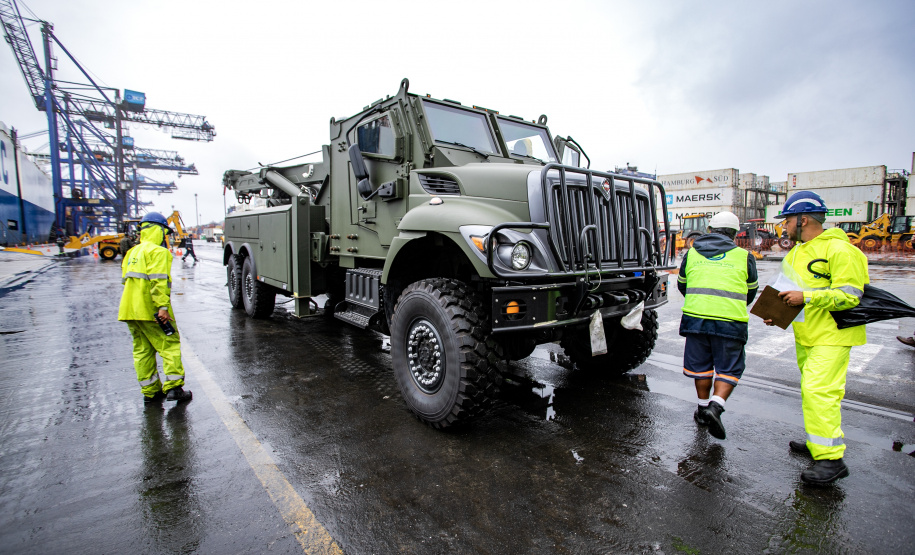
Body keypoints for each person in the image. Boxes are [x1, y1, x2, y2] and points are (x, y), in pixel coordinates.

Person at [766, 190, 869, 485]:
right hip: (806, 333)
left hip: (833, 335)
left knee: (820, 392)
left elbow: (851, 296)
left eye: (786, 221)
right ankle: (818, 444)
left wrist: (806, 296)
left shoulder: (842, 251)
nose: (783, 227)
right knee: (812, 393)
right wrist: (776, 313)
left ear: (804, 219)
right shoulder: (797, 252)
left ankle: (831, 461)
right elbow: (787, 291)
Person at [678, 211, 759, 440]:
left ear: (710, 230)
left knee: (701, 367)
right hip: (730, 321)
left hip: (696, 318)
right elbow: (750, 290)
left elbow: (683, 285)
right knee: (730, 368)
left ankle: (703, 409)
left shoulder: (692, 253)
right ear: (734, 234)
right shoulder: (744, 256)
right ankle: (716, 406)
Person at [119, 212, 192, 405]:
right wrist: (162, 307)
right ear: (159, 230)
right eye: (164, 232)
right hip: (150, 309)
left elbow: (124, 280)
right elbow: (159, 282)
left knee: (142, 350)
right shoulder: (159, 253)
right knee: (168, 345)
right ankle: (174, 388)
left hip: (129, 310)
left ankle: (150, 392)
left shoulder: (131, 252)